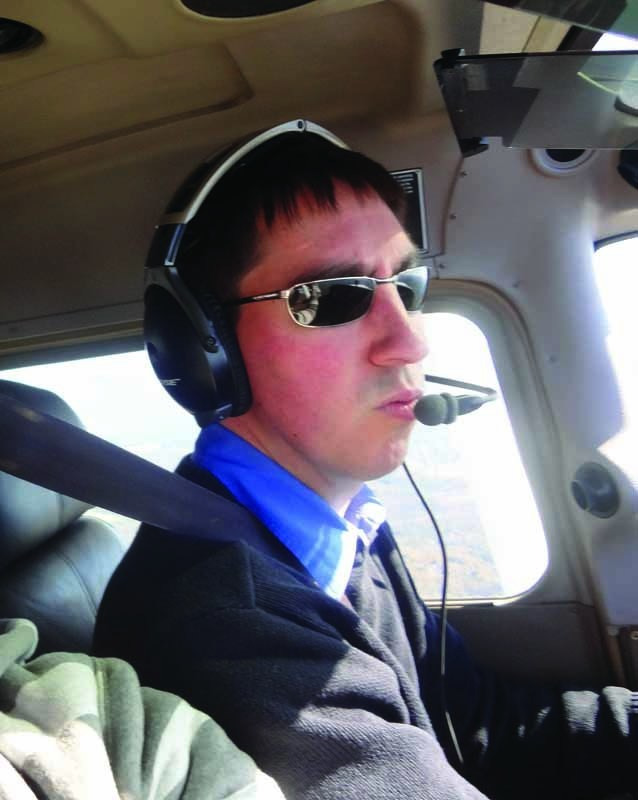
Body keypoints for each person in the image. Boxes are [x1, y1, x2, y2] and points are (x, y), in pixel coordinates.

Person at [94, 121, 638, 800]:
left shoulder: (347, 531)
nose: (410, 342)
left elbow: (473, 723)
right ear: (205, 352)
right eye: (332, 296)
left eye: (406, 285)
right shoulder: (228, 631)